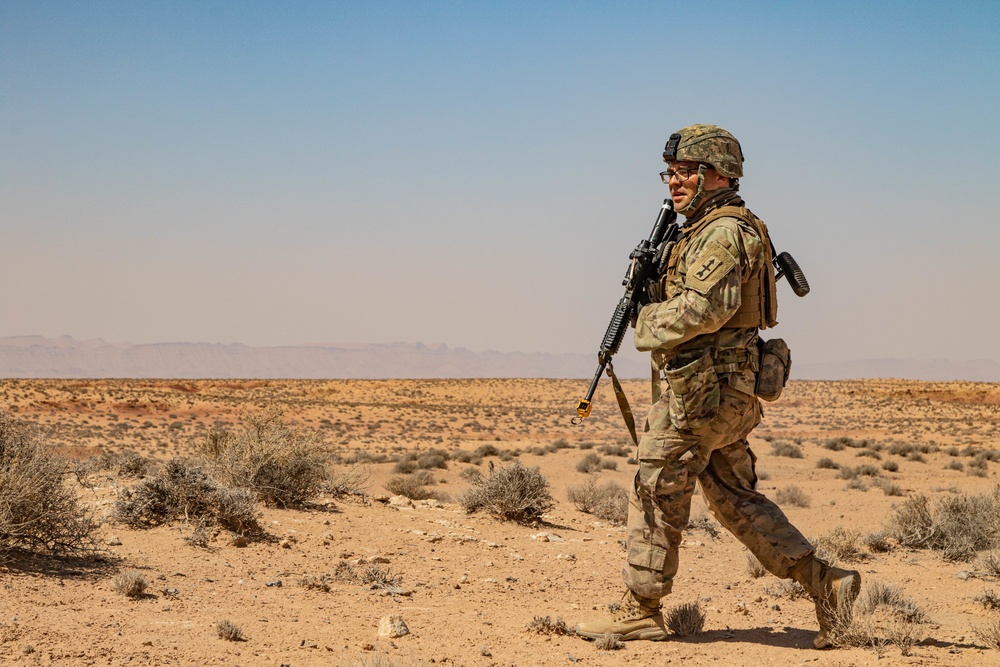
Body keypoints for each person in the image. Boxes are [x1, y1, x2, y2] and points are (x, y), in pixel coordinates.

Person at [575, 124, 859, 649]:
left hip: (704, 394)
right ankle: (827, 584)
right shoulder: (702, 228)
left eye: (686, 172)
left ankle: (641, 610)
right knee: (733, 497)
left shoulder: (724, 232)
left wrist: (645, 322)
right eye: (671, 172)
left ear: (717, 174)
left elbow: (707, 308)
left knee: (656, 484)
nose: (674, 182)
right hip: (718, 391)